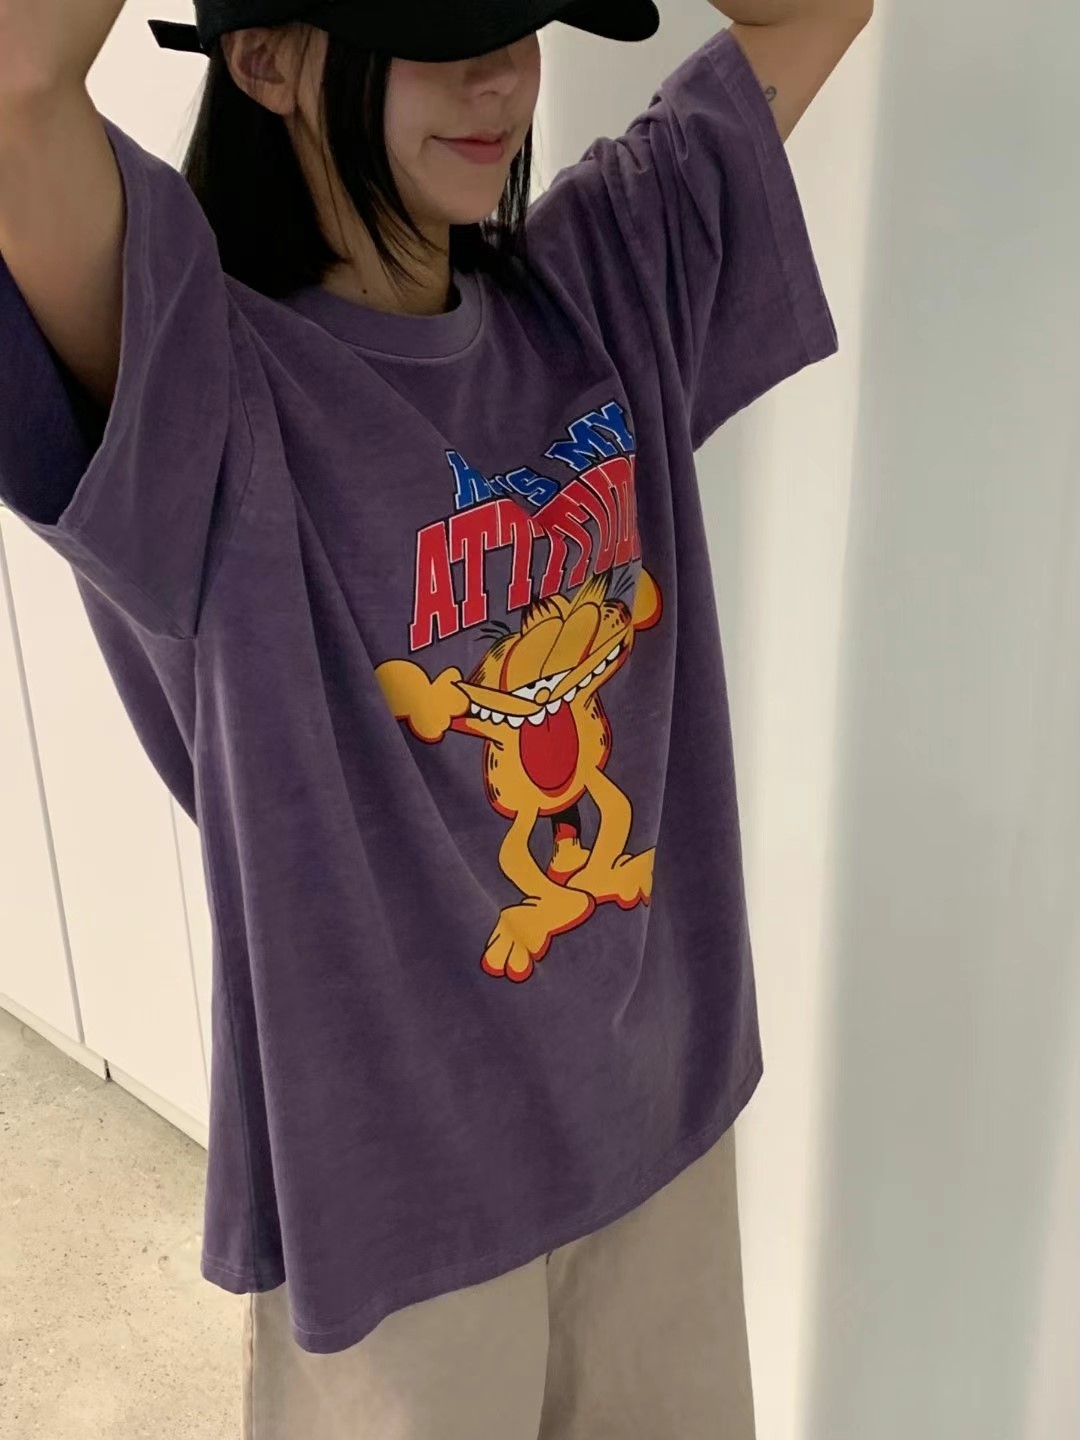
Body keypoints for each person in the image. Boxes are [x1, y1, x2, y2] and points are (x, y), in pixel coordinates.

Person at [0, 0, 872, 1434]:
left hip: (653, 1130)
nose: (500, 74)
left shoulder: (604, 280)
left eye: (514, 14)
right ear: (267, 57)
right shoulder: (205, 388)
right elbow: (19, 87)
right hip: (400, 1209)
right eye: (432, 23)